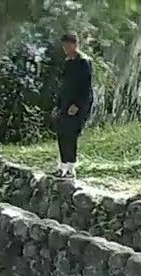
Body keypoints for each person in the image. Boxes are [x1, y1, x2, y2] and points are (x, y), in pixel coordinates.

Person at [52, 33, 93, 178]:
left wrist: (77, 105)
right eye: (63, 46)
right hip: (65, 103)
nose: (65, 49)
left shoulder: (84, 62)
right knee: (62, 133)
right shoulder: (67, 61)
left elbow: (85, 86)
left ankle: (70, 167)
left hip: (77, 105)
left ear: (75, 45)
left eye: (67, 46)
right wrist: (58, 105)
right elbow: (63, 86)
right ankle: (62, 166)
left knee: (71, 134)